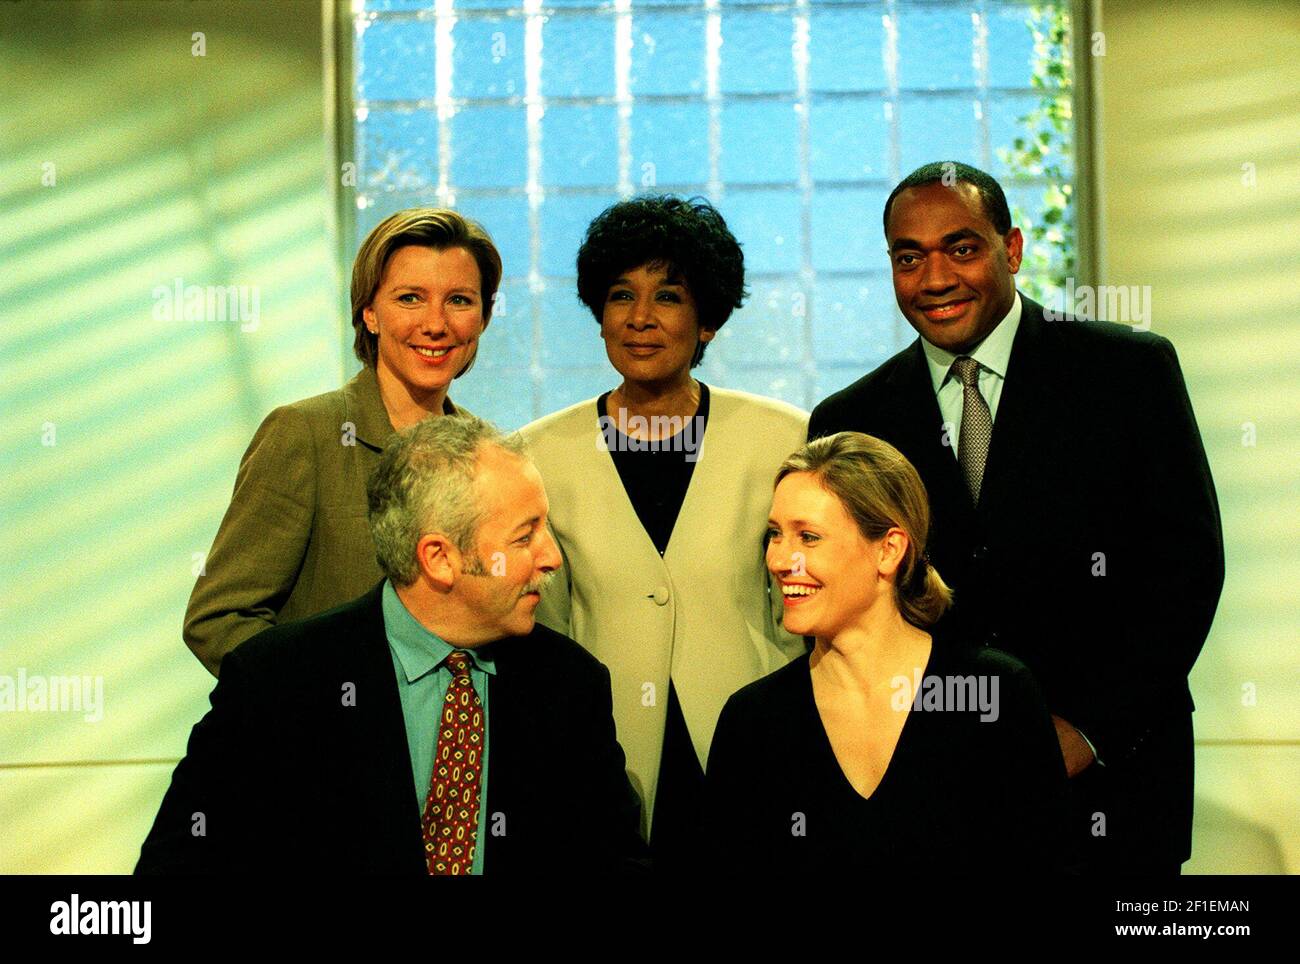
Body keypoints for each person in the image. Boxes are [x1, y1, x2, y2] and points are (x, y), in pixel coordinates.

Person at [807, 161, 1224, 873]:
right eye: (909, 258)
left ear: (1014, 249)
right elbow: (850, 606)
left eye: (962, 248)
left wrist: (1088, 730)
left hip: (1114, 783)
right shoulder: (852, 420)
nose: (935, 277)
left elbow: (1185, 572)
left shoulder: (1129, 372)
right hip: (934, 793)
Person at [137, 414, 645, 874]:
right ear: (439, 558)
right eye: (524, 536)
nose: (552, 557)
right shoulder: (277, 683)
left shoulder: (570, 686)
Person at [519, 195, 808, 868]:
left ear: (707, 320)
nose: (641, 318)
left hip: (757, 752)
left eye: (669, 296)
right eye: (622, 295)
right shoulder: (534, 454)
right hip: (599, 763)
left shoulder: (784, 439)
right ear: (599, 313)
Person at [705, 432, 1071, 872]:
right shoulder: (754, 720)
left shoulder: (995, 694)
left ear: (889, 549)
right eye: (775, 534)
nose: (781, 560)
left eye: (809, 537)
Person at [184, 208, 500, 676]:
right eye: (410, 298)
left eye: (458, 300)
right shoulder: (304, 435)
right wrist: (327, 707)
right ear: (369, 314)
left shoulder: (491, 455)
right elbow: (219, 619)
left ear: (483, 318)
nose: (436, 324)